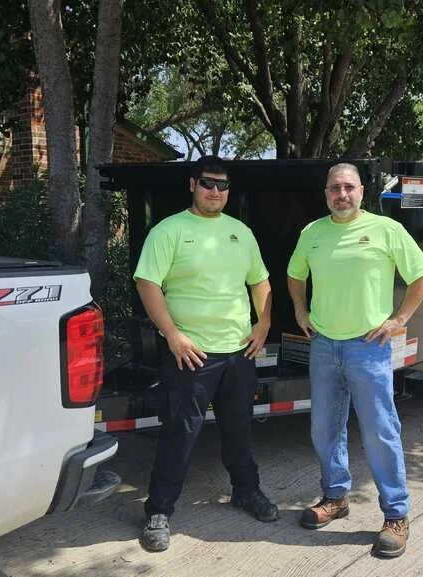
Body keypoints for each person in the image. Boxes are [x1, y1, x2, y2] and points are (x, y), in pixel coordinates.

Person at [286, 162, 423, 558]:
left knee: (379, 431)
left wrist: (400, 319)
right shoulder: (312, 233)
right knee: (324, 428)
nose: (342, 194)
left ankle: (396, 516)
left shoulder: (387, 230)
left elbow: (422, 274)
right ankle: (335, 497)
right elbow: (294, 274)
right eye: (335, 188)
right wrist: (300, 310)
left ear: (361, 192)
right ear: (326, 194)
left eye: (349, 187)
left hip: (368, 347)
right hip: (323, 345)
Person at [133, 155, 279, 552]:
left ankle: (246, 492)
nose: (215, 191)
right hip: (191, 354)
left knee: (240, 430)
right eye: (208, 183)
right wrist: (173, 335)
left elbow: (261, 282)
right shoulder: (170, 231)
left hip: (238, 353)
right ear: (192, 185)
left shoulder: (241, 233)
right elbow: (148, 284)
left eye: (222, 185)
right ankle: (159, 509)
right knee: (180, 433)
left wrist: (263, 325)